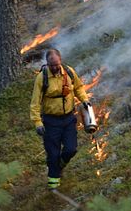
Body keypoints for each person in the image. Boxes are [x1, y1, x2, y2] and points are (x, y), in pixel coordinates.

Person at [29, 48, 90, 189]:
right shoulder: (42, 78)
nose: (55, 67)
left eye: (57, 64)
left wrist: (84, 100)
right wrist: (37, 122)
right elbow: (35, 102)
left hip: (68, 119)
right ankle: (53, 186)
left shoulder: (68, 72)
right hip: (51, 121)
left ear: (60, 61)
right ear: (47, 64)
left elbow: (79, 88)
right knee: (53, 153)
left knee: (71, 149)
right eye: (52, 65)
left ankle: (60, 165)